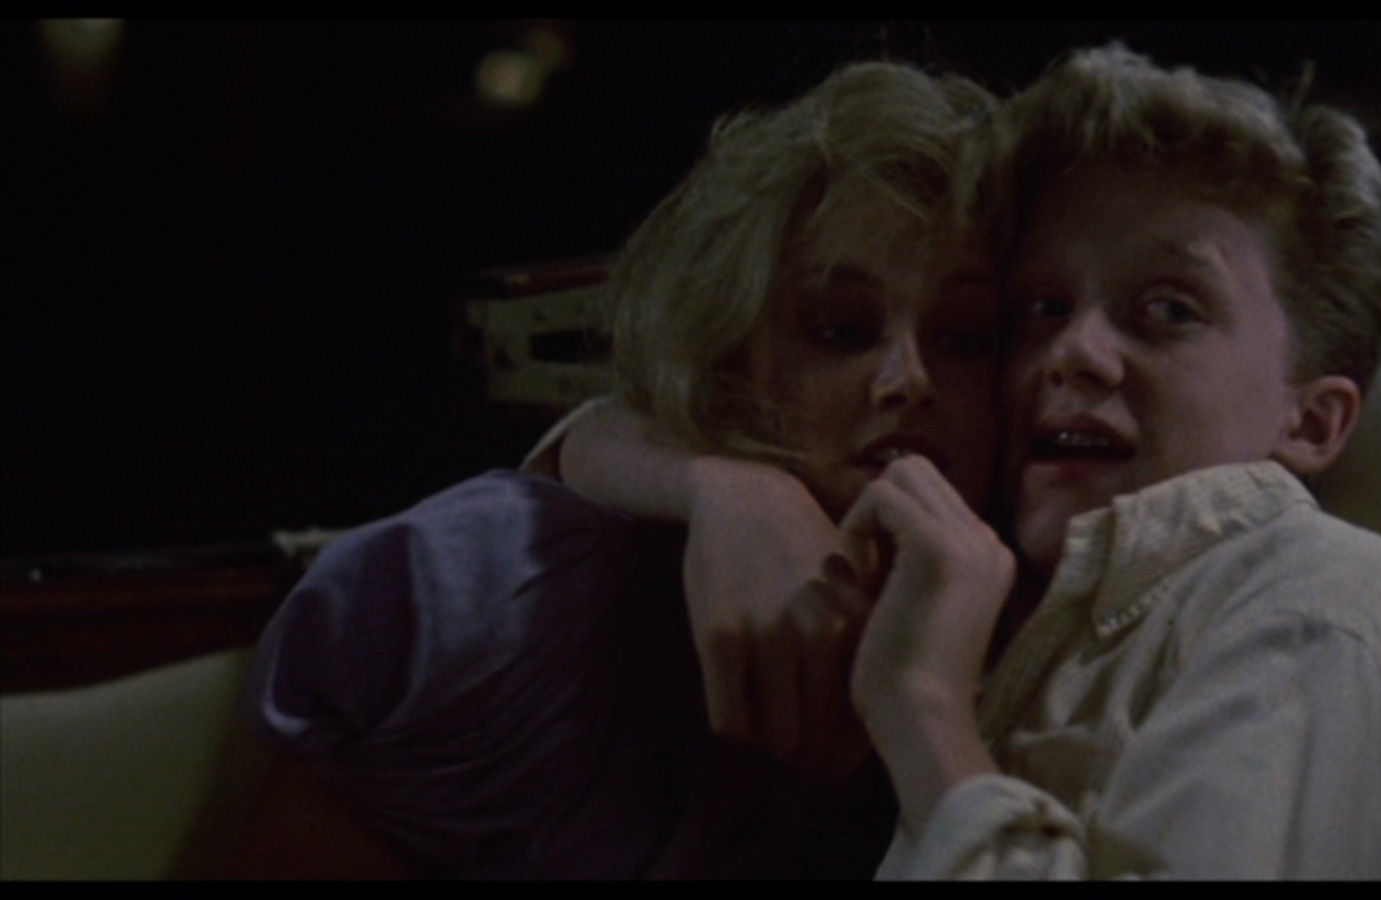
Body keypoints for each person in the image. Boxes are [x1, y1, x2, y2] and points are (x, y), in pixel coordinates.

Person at [560, 44, 1381, 879]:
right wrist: (733, 489)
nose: (1071, 352)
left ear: (1314, 421)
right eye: (1041, 309)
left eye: (1167, 310)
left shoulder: (1327, 605)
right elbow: (584, 438)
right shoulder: (1013, 577)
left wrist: (926, 710)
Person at [239, 58, 1012, 878]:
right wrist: (734, 487)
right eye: (840, 331)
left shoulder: (1033, 626)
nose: (908, 379)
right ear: (733, 354)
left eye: (965, 339)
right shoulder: (529, 597)